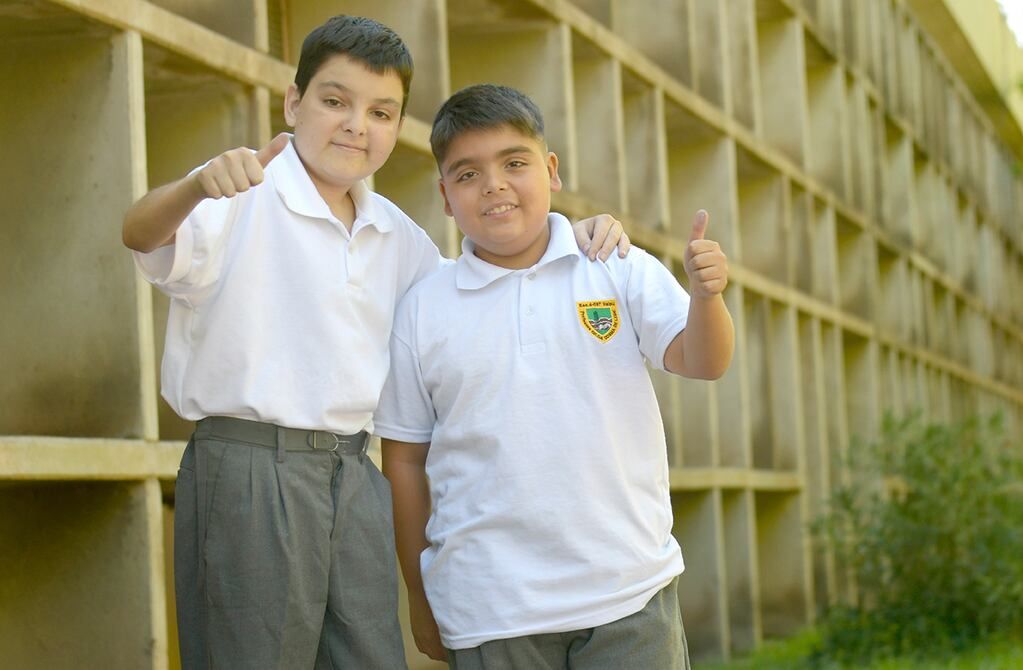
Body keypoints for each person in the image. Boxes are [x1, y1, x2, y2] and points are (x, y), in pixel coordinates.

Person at [122, 16, 627, 670]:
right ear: (293, 102)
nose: (357, 125)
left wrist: (569, 235)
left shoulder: (401, 237)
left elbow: (482, 295)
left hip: (356, 476)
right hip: (250, 469)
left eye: (381, 112)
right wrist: (194, 186)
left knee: (369, 655)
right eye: (335, 102)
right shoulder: (240, 190)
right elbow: (140, 233)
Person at [375, 83, 734, 669]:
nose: (493, 185)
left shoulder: (614, 265)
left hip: (628, 591)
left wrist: (707, 297)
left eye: (514, 163)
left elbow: (705, 360)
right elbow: (404, 462)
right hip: (490, 608)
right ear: (444, 196)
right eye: (467, 174)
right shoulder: (421, 309)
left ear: (551, 169)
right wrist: (419, 596)